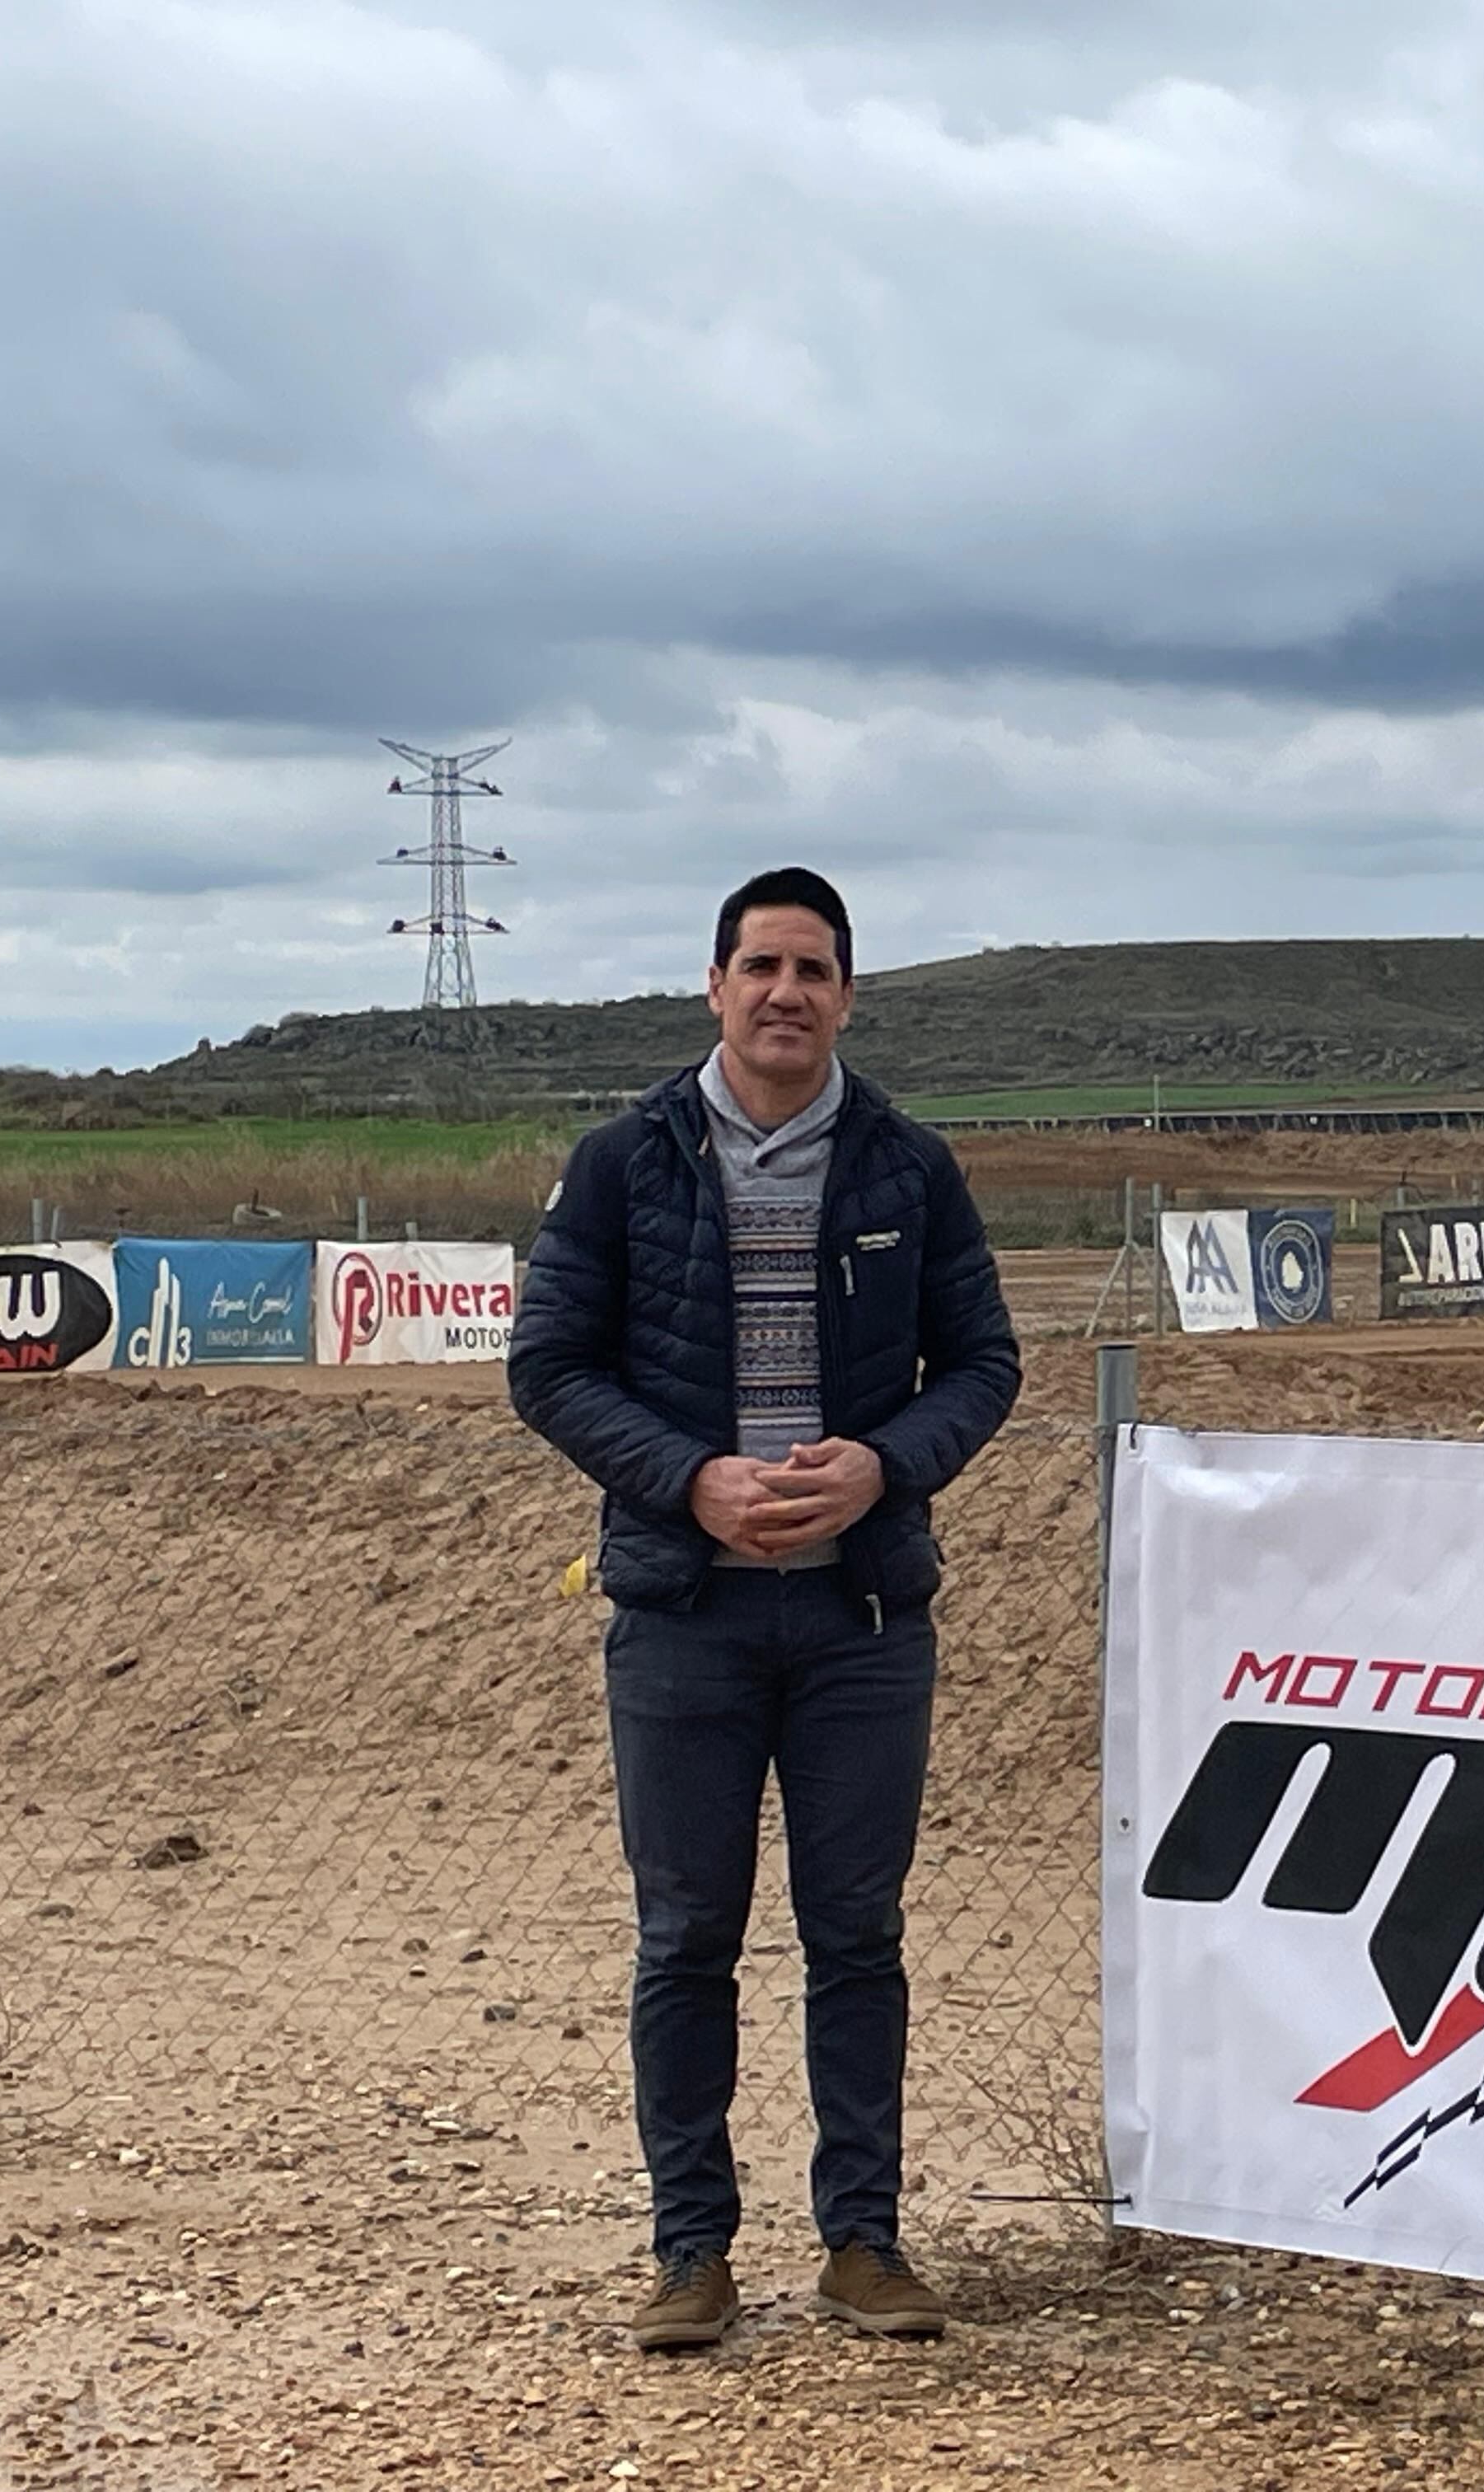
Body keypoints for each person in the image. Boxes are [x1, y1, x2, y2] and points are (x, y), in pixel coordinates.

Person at [510, 867, 1021, 2353]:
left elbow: (983, 1365)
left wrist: (883, 1467)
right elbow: (548, 1366)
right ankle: (692, 2254)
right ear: (716, 986)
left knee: (856, 1935)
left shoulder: (909, 1167)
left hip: (863, 1623)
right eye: (761, 966)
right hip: (685, 1618)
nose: (785, 993)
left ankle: (864, 2244)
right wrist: (690, 1482)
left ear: (847, 996)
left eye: (813, 970)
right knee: (686, 1939)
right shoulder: (626, 1160)